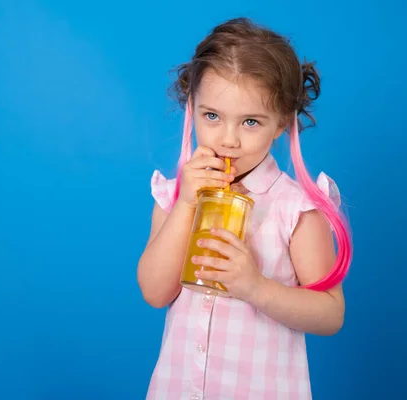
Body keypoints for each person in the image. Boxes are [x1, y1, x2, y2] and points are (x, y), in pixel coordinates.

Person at [137, 17, 352, 400]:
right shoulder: (174, 196)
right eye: (212, 116)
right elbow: (155, 293)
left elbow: (331, 314)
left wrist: (257, 288)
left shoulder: (296, 210)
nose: (228, 139)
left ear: (281, 123)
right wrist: (187, 203)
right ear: (192, 107)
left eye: (251, 121)